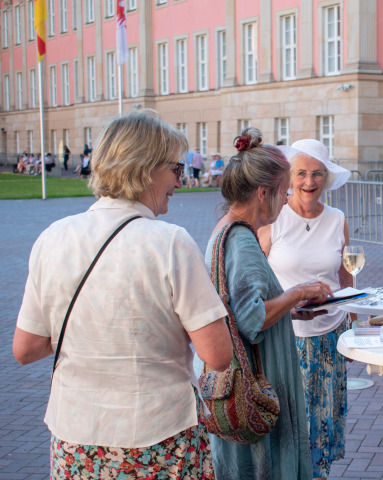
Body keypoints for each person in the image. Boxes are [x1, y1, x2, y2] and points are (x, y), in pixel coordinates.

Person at [13, 110, 233, 479]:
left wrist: (94, 328)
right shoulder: (169, 242)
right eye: (176, 169)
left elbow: (27, 347)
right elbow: (218, 354)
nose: (179, 182)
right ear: (146, 168)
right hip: (158, 436)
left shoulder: (53, 237)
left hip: (75, 435)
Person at [207, 127, 332, 480]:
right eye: (284, 190)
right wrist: (298, 292)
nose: (287, 197)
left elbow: (243, 306)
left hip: (241, 377)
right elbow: (252, 318)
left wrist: (288, 309)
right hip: (259, 380)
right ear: (264, 193)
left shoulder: (225, 230)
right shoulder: (243, 241)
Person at [259, 139, 352, 480]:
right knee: (290, 422)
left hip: (330, 335)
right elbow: (256, 283)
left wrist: (354, 323)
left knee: (322, 421)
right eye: (301, 173)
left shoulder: (337, 218)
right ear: (289, 177)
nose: (309, 182)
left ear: (326, 178)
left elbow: (345, 276)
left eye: (317, 174)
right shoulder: (272, 218)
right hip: (287, 338)